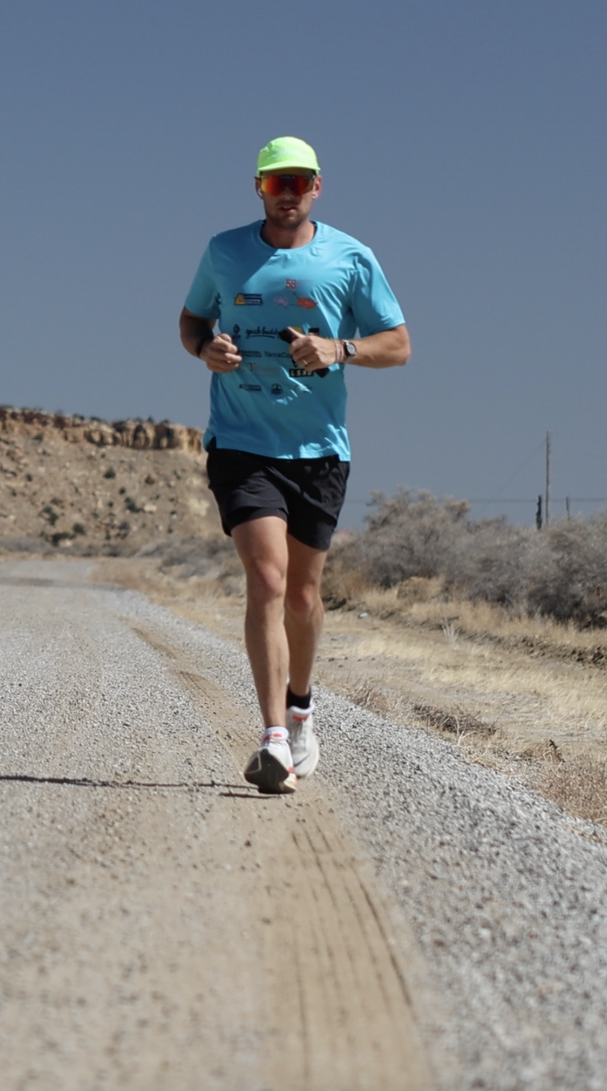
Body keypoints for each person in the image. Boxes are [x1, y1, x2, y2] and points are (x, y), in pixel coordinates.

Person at [179, 137, 409, 794]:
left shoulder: (349, 257)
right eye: (277, 182)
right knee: (267, 579)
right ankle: (273, 737)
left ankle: (303, 707)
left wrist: (338, 348)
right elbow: (191, 320)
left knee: (304, 597)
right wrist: (207, 351)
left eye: (300, 182)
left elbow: (398, 345)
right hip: (241, 441)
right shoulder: (225, 251)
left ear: (317, 187)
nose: (289, 192)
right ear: (258, 186)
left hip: (319, 451)